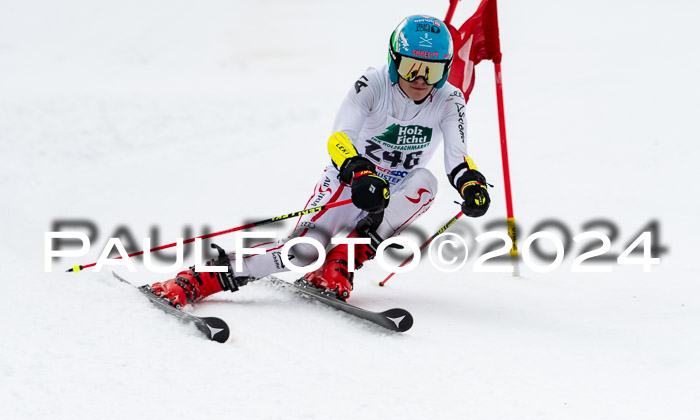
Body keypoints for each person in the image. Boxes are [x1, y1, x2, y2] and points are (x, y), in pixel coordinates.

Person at [146, 14, 491, 308]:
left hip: (391, 191)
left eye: (431, 72)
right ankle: (203, 278)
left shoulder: (450, 99)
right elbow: (339, 138)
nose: (419, 80)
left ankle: (344, 260)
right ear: (393, 60)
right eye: (411, 67)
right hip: (348, 182)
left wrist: (471, 184)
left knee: (425, 184)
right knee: (301, 253)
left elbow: (457, 158)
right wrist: (359, 172)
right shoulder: (373, 83)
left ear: (445, 70)